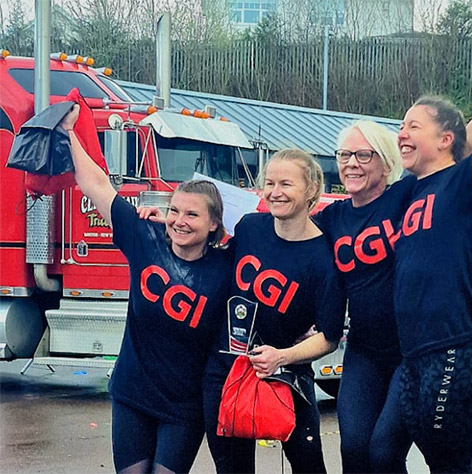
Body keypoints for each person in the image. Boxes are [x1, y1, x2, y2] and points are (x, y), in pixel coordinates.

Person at [312, 57, 472, 474]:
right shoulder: (409, 193)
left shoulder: (450, 186)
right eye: (344, 154)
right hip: (409, 351)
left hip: (453, 347)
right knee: (375, 453)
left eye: (411, 127)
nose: (402, 133)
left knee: (445, 461)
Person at [61, 105, 232, 474]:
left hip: (184, 407)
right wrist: (69, 133)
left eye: (192, 215)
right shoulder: (145, 237)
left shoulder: (226, 268)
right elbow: (95, 185)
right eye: (175, 211)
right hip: (132, 395)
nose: (179, 222)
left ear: (215, 223)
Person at [203, 149, 347, 473]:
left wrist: (282, 356)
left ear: (311, 190)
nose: (275, 192)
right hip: (225, 371)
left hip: (286, 375)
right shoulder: (250, 227)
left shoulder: (325, 258)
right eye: (269, 183)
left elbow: (329, 337)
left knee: (310, 467)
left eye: (286, 183)